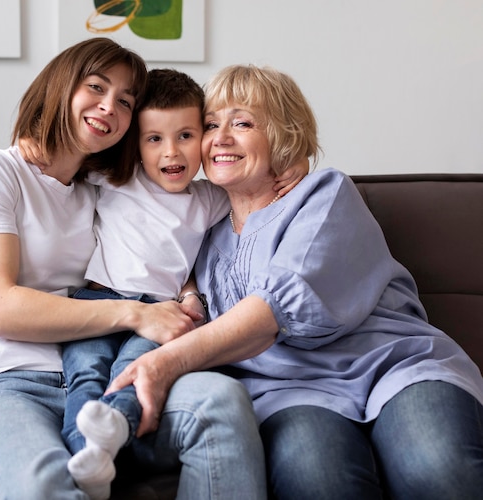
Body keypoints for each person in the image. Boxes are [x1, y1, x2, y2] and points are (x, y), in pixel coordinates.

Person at [108, 64, 483, 499]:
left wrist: (165, 362)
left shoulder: (323, 193)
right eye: (210, 125)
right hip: (286, 393)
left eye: (243, 123)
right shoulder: (200, 224)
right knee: (318, 482)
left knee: (436, 469)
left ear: (282, 134)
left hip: (392, 367)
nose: (221, 138)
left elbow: (276, 308)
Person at [0, 39, 268, 500]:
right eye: (96, 87)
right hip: (11, 384)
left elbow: (157, 245)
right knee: (45, 487)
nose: (109, 107)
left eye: (124, 101)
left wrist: (187, 291)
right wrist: (137, 313)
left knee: (221, 404)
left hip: (117, 376)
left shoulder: (101, 189)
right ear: (61, 85)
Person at [19, 68, 308, 498]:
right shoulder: (115, 179)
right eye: (154, 139)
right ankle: (87, 457)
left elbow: (256, 186)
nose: (170, 152)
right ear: (135, 144)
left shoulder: (210, 198)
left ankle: (114, 431)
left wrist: (295, 165)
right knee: (84, 376)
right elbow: (68, 157)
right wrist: (34, 140)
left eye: (186, 136)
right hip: (97, 302)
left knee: (132, 374)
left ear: (203, 138)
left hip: (161, 312)